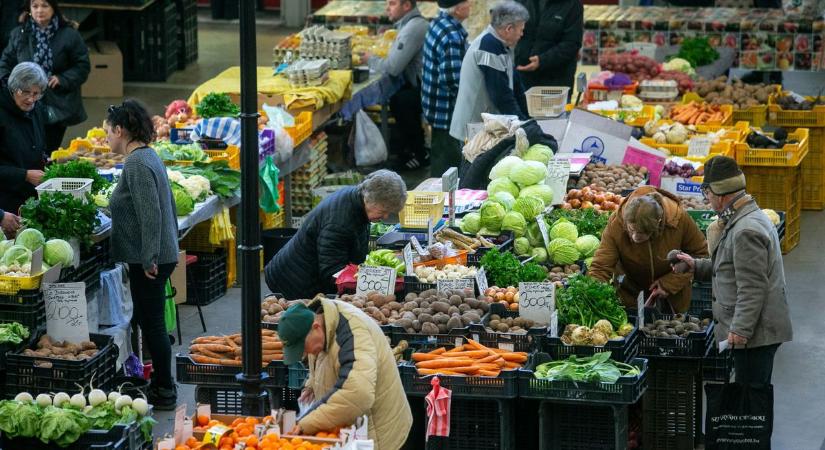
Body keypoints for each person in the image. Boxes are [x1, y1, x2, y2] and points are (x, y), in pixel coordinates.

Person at [672, 156, 792, 388]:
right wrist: (696, 265)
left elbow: (753, 287)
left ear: (721, 195)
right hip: (755, 329)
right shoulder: (742, 219)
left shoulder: (746, 230)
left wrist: (740, 329)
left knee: (751, 403)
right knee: (750, 399)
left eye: (707, 193)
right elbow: (731, 268)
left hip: (757, 334)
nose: (706, 199)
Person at [106, 100, 180, 410]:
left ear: (120, 130)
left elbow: (151, 213)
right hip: (158, 254)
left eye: (107, 131)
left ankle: (164, 389)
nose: (106, 136)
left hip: (149, 260)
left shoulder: (136, 163)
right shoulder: (149, 156)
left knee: (153, 325)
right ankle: (159, 382)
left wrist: (149, 256)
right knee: (151, 321)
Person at [279, 298, 412, 449]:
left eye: (302, 348)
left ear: (315, 327)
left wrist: (306, 423)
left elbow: (358, 394)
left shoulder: (353, 334)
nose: (304, 354)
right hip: (350, 430)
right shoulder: (319, 320)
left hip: (378, 433)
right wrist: (311, 385)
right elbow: (323, 358)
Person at [265, 170, 407, 300]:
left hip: (306, 270)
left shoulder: (357, 197)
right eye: (383, 210)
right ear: (369, 199)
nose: (386, 216)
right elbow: (332, 271)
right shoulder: (339, 223)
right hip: (292, 281)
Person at [588, 186, 708, 313]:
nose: (635, 237)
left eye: (643, 233)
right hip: (630, 296)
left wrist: (670, 283)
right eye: (631, 230)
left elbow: (700, 255)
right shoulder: (616, 223)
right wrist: (593, 296)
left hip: (673, 300)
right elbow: (601, 266)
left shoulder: (678, 220)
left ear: (659, 222)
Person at [0, 0, 90, 151]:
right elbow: (4, 63)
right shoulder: (19, 34)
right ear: (29, 9)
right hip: (24, 101)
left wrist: (62, 79)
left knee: (49, 150)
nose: (39, 10)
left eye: (44, 6)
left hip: (57, 102)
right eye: (35, 6)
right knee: (26, 148)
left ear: (53, 8)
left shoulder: (69, 35)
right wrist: (13, 85)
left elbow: (82, 66)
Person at [449, 0, 530, 144]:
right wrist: (523, 125)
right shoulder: (489, 47)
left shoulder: (501, 45)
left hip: (485, 125)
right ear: (509, 29)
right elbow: (501, 94)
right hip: (474, 128)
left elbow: (515, 85)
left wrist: (527, 119)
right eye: (521, 29)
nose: (522, 34)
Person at [369, 0, 429, 171]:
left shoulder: (414, 27)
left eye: (393, 3)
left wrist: (369, 59)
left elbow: (393, 67)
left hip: (427, 90)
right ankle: (408, 149)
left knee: (401, 101)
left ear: (407, 6)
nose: (388, 8)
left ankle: (419, 154)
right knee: (399, 98)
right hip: (419, 84)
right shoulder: (409, 25)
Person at [421, 0, 470, 177]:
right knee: (447, 164)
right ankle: (442, 200)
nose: (470, 4)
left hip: (433, 104)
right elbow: (452, 79)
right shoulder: (452, 35)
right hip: (446, 110)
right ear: (457, 9)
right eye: (466, 2)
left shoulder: (438, 23)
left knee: (440, 152)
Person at [0, 61, 48, 235]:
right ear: (13, 88)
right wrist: (25, 175)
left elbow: (38, 145)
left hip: (28, 199)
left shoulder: (35, 109)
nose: (31, 99)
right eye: (25, 92)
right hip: (6, 204)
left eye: (36, 93)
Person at [514, 0, 583, 92]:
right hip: (522, 77)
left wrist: (542, 60)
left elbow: (572, 43)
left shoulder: (572, 5)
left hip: (556, 82)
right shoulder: (519, 2)